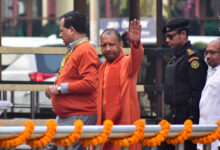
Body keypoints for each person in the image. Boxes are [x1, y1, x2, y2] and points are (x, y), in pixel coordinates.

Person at [45, 10, 100, 150]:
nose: (60, 34)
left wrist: (59, 89)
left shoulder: (85, 50)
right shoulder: (78, 49)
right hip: (71, 114)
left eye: (61, 30)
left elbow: (90, 83)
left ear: (71, 30)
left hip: (78, 114)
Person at [159, 18, 208, 150]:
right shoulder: (176, 57)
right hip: (173, 115)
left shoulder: (193, 59)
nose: (167, 40)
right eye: (166, 37)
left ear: (183, 34)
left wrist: (192, 118)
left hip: (187, 117)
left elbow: (198, 91)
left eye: (171, 36)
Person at [96, 19, 143, 150]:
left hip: (123, 125)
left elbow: (136, 57)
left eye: (111, 44)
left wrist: (136, 43)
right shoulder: (102, 68)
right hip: (106, 126)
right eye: (104, 45)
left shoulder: (126, 63)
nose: (107, 49)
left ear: (121, 45)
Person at [198, 40, 220, 150]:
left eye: (212, 52)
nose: (208, 56)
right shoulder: (211, 72)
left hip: (217, 137)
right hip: (205, 133)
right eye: (206, 53)